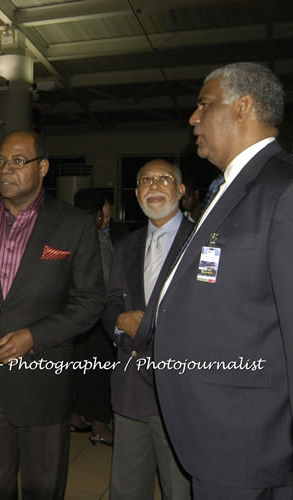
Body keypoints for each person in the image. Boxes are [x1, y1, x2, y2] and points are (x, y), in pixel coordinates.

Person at [154, 62, 293, 498]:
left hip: (248, 444)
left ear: (243, 107)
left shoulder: (290, 192)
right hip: (214, 430)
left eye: (204, 105)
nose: (193, 118)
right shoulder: (230, 186)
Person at [0, 129, 105, 500]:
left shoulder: (74, 224)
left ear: (43, 167)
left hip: (43, 382)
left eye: (18, 161)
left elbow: (90, 300)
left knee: (43, 487)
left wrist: (33, 336)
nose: (5, 169)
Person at [102, 159, 192, 500]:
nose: (154, 185)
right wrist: (118, 323)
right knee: (127, 489)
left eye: (164, 179)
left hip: (180, 389)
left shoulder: (203, 242)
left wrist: (156, 324)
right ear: (137, 192)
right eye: (145, 180)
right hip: (130, 388)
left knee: (181, 490)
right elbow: (110, 302)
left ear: (181, 191)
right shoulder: (125, 245)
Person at [71, 188, 115, 446]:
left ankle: (75, 417)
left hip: (70, 316)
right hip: (97, 317)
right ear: (97, 215)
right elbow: (109, 282)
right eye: (105, 216)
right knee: (99, 371)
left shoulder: (65, 235)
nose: (106, 221)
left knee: (75, 370)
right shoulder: (98, 239)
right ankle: (99, 425)